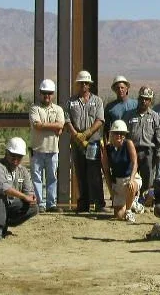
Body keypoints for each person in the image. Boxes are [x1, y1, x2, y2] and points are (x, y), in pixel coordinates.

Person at [0, 137, 38, 241]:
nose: (16, 160)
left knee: (33, 208)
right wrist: (24, 196)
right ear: (6, 153)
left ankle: (3, 223)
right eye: (13, 156)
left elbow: (28, 192)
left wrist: (31, 198)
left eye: (19, 157)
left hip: (8, 203)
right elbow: (3, 188)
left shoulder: (23, 171)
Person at [64, 70, 108, 213]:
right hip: (77, 143)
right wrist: (76, 135)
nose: (84, 85)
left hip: (93, 142)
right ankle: (83, 204)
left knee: (94, 173)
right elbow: (67, 120)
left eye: (86, 83)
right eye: (81, 82)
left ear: (90, 85)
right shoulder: (71, 102)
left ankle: (99, 203)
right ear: (78, 84)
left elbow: (100, 120)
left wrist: (87, 133)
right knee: (80, 173)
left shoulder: (97, 101)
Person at [29, 78, 65, 212]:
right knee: (37, 178)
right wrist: (53, 126)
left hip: (52, 149)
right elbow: (36, 125)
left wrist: (43, 125)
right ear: (40, 93)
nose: (47, 96)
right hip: (37, 149)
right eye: (44, 93)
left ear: (53, 94)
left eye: (49, 93)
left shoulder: (58, 110)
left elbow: (60, 126)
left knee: (52, 178)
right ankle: (40, 204)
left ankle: (51, 204)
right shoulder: (34, 108)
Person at [122, 86, 160, 194]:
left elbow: (159, 137)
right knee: (130, 177)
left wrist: (159, 154)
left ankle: (145, 202)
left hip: (148, 152)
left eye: (147, 99)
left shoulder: (155, 116)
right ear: (138, 99)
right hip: (131, 151)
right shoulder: (128, 115)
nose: (144, 101)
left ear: (150, 101)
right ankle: (131, 201)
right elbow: (123, 134)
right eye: (142, 98)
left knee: (147, 179)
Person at [101, 120, 142, 222]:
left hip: (130, 177)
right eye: (116, 133)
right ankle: (131, 203)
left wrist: (132, 179)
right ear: (112, 134)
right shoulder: (107, 148)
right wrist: (111, 190)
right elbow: (106, 170)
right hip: (118, 182)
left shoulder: (129, 144)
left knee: (132, 185)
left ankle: (128, 210)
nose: (119, 136)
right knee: (119, 216)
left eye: (122, 133)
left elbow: (135, 163)